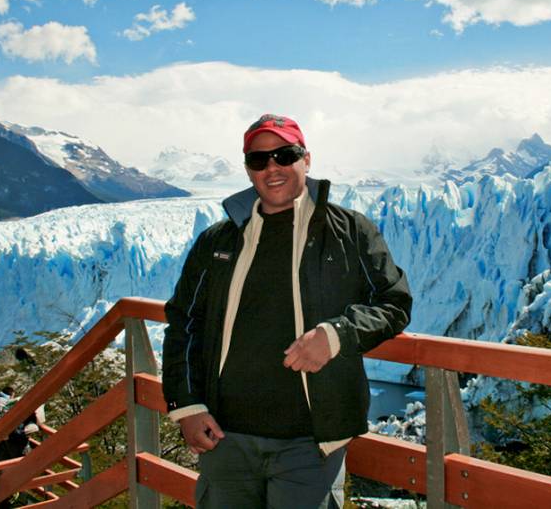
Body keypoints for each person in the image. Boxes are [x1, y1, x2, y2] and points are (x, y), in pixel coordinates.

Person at [162, 114, 412, 508]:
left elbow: (394, 303)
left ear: (306, 160)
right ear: (248, 170)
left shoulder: (349, 231)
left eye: (284, 154)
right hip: (226, 440)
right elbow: (183, 324)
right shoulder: (218, 240)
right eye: (259, 160)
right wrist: (186, 406)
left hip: (311, 444)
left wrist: (336, 335)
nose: (272, 167)